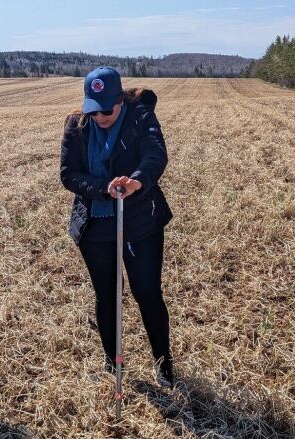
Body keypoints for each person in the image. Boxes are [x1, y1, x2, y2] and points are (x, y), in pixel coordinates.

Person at [59, 66, 175, 387]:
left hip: (140, 221)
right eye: (93, 110)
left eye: (106, 110)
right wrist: (103, 187)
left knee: (147, 292)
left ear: (119, 100)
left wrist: (136, 182)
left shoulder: (141, 118)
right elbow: (68, 174)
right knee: (107, 296)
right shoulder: (76, 125)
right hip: (94, 226)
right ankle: (114, 365)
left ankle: (163, 365)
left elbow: (156, 156)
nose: (100, 117)